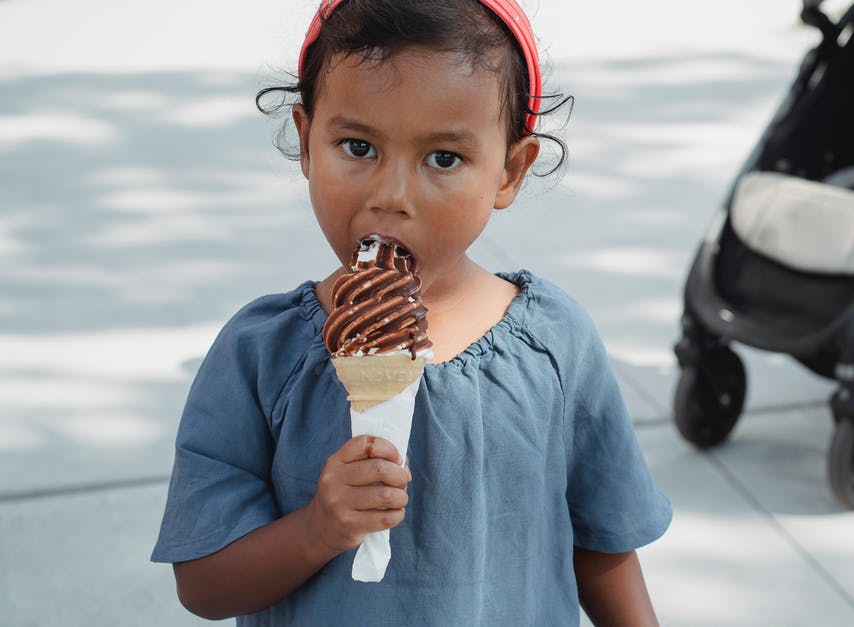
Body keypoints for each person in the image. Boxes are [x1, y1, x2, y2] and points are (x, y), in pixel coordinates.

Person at [150, 0, 672, 624]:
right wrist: (318, 529)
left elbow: (604, 545)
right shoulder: (261, 355)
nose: (391, 196)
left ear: (509, 170)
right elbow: (204, 585)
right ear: (306, 142)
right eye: (357, 145)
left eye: (443, 158)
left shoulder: (555, 343)